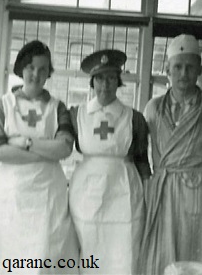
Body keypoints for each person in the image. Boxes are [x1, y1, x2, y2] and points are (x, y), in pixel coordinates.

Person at [140, 34, 202, 274]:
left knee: (197, 266)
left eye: (190, 67)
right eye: (178, 67)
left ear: (200, 69)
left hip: (200, 197)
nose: (184, 73)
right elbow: (139, 155)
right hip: (162, 196)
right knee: (160, 261)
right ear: (167, 71)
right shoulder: (153, 109)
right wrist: (145, 197)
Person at [0, 40, 78, 274]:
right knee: (12, 260)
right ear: (21, 68)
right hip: (12, 197)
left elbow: (65, 149)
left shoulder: (58, 108)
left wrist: (25, 143)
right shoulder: (2, 106)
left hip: (48, 197)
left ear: (49, 73)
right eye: (30, 67)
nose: (35, 74)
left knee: (48, 257)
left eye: (42, 69)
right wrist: (47, 151)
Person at [69, 49, 151, 274]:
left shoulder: (134, 118)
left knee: (124, 253)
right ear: (92, 82)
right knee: (88, 251)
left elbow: (143, 163)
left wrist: (149, 199)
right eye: (100, 78)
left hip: (124, 193)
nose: (105, 85)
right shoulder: (77, 115)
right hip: (86, 193)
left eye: (111, 78)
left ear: (118, 81)